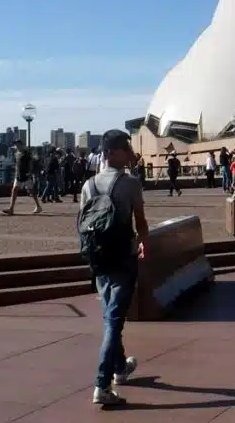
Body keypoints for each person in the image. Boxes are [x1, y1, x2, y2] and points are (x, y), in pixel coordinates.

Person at [80, 130, 149, 407]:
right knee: (113, 321)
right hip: (123, 258)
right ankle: (101, 385)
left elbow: (85, 225)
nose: (130, 154)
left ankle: (120, 368)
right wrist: (145, 244)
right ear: (110, 153)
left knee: (111, 315)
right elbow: (141, 221)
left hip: (99, 260)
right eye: (125, 149)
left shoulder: (89, 185)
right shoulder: (130, 184)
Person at [3, 140, 42, 216]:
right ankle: (11, 208)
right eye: (16, 145)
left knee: (31, 191)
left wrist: (30, 172)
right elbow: (17, 164)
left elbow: (31, 163)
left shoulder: (27, 153)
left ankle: (38, 206)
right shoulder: (16, 153)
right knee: (14, 190)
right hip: (18, 175)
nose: (17, 146)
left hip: (26, 175)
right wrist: (16, 173)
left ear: (22, 145)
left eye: (18, 145)